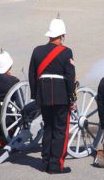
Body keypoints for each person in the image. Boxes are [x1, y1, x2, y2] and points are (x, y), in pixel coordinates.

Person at [28, 16, 76, 174]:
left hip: (43, 96)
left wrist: (36, 95)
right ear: (62, 35)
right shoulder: (66, 51)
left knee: (48, 128)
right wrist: (72, 98)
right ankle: (55, 164)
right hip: (61, 96)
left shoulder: (37, 50)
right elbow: (70, 77)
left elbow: (32, 75)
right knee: (60, 130)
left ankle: (46, 161)